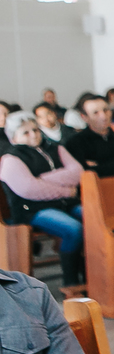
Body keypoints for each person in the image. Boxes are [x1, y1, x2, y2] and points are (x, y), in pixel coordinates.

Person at [0, 113, 85, 291]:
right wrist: (66, 190)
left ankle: (90, 274)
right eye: (26, 132)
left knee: (93, 219)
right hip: (33, 210)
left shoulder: (54, 147)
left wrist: (43, 178)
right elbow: (29, 189)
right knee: (74, 229)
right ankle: (71, 281)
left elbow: (77, 172)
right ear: (14, 137)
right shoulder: (11, 159)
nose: (33, 135)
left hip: (65, 204)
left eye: (35, 130)